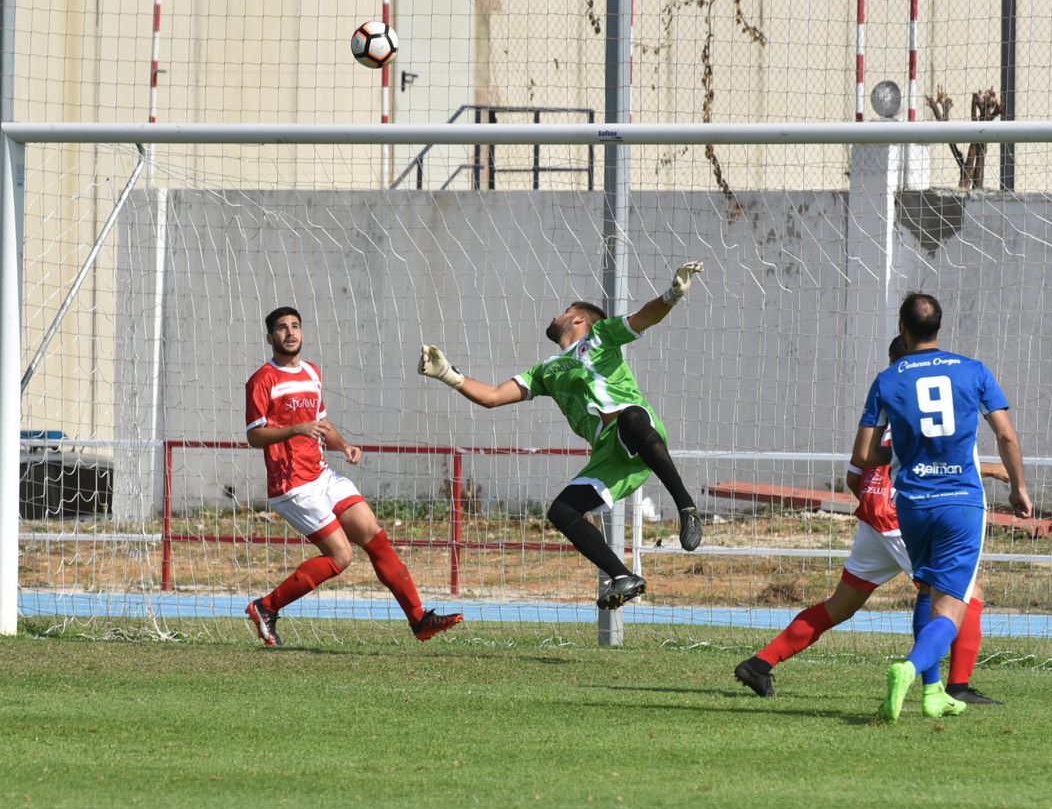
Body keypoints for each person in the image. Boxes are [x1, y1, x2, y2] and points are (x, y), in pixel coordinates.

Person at [734, 336, 1007, 703]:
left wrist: (872, 502)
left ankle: (759, 664)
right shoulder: (925, 413)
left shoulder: (887, 404)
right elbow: (941, 461)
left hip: (872, 519)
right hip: (902, 517)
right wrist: (990, 470)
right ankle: (953, 686)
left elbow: (856, 470)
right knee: (964, 594)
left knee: (839, 606)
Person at [417, 262, 705, 609]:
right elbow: (492, 397)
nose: (558, 315)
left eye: (565, 311)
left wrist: (672, 295)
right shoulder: (545, 371)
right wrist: (449, 375)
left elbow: (646, 316)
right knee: (562, 511)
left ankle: (686, 507)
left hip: (639, 432)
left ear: (580, 320)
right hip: (608, 455)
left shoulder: (602, 336)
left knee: (629, 416)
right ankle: (622, 576)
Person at [850, 292, 1032, 722]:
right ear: (940, 326)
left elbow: (862, 454)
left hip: (912, 502)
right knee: (954, 606)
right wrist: (1019, 488)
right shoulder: (973, 371)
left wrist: (901, 458)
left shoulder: (889, 378)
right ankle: (911, 668)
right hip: (961, 502)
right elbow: (1006, 436)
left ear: (902, 327)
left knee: (929, 593)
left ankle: (934, 691)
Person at [243, 306, 464, 647]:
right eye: (282, 328)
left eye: (296, 326)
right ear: (270, 337)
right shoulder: (262, 380)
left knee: (375, 536)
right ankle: (265, 607)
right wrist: (296, 429)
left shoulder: (312, 373)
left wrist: (343, 445)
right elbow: (254, 436)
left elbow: (321, 422)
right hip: (292, 487)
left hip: (322, 475)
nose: (290, 332)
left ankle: (419, 619)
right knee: (340, 557)